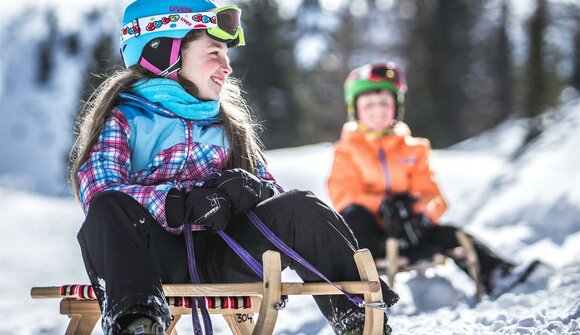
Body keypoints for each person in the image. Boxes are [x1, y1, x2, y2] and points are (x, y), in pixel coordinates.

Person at [68, 1, 398, 334]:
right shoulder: (126, 118)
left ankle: (360, 320)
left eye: (227, 57)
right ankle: (137, 324)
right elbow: (99, 188)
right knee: (109, 208)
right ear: (162, 50)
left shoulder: (226, 125)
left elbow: (273, 192)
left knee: (300, 207)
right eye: (214, 53)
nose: (226, 67)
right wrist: (177, 203)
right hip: (149, 266)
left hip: (225, 256)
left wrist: (255, 189)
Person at [327, 62, 539, 298]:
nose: (378, 109)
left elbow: (434, 196)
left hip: (411, 231)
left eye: (384, 103)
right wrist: (382, 205)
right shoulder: (347, 150)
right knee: (353, 216)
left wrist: (417, 211)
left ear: (396, 107)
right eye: (369, 104)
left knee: (452, 235)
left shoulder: (414, 149)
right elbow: (343, 193)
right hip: (372, 235)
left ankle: (497, 274)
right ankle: (356, 292)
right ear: (355, 109)